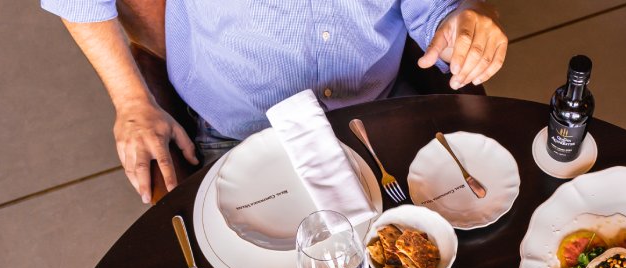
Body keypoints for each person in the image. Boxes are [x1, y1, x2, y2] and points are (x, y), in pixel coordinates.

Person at [41, 0, 509, 202]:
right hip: (245, 130)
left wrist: (462, 20)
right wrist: (131, 101)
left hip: (377, 109)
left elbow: (439, 7)